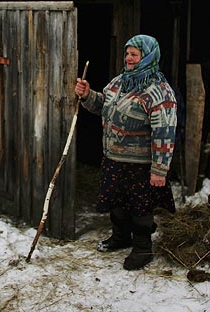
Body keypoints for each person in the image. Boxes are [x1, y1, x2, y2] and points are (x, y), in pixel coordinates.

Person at [74, 34, 177, 270]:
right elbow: (104, 107)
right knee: (117, 204)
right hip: (114, 158)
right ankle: (121, 238)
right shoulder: (119, 82)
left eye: (134, 54)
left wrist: (160, 169)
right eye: (127, 53)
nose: (129, 58)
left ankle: (142, 248)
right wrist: (88, 95)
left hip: (141, 164)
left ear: (148, 57)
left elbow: (165, 132)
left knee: (140, 208)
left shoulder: (159, 91)